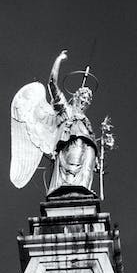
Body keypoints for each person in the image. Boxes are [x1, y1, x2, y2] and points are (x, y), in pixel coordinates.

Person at [45, 50, 97, 195]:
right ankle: (68, 193)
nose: (85, 101)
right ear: (76, 97)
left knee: (85, 174)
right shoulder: (66, 110)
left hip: (88, 148)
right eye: (83, 97)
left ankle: (83, 192)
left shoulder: (86, 122)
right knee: (70, 172)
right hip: (71, 145)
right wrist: (58, 60)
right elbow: (52, 84)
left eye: (88, 100)